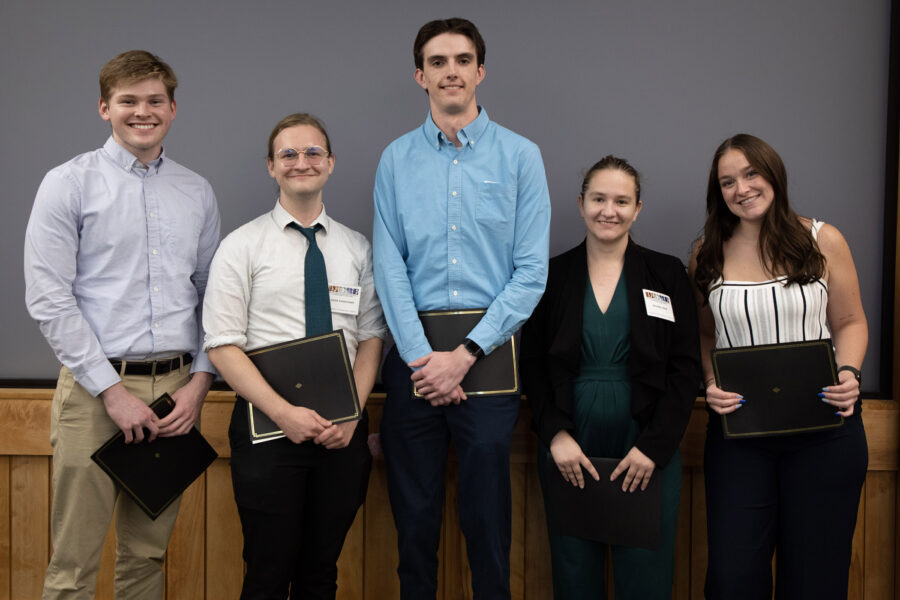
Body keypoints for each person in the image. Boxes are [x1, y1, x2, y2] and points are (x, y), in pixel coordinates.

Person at [23, 50, 220, 599]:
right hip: (94, 393)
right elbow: (48, 299)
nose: (143, 111)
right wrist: (111, 392)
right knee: (73, 565)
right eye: (128, 101)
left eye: (155, 100)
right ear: (104, 107)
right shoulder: (68, 184)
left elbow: (211, 297)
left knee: (147, 558)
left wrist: (200, 385)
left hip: (177, 396)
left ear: (173, 109)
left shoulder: (196, 191)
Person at [372, 17, 551, 599]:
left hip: (492, 359)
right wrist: (427, 362)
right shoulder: (395, 160)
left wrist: (467, 354)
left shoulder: (522, 157)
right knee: (414, 520)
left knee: (487, 521)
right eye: (438, 61)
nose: (452, 71)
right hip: (414, 361)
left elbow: (530, 274)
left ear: (481, 71)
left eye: (463, 59)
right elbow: (389, 266)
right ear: (419, 75)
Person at [203, 113, 387, 599]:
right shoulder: (241, 246)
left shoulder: (356, 248)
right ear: (270, 166)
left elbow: (371, 338)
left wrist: (352, 418)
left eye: (312, 153)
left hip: (341, 435)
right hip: (268, 431)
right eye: (288, 154)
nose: (300, 162)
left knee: (320, 573)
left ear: (330, 163)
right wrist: (284, 413)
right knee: (266, 573)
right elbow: (222, 344)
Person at [689, 134, 868, 599]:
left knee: (815, 578)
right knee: (732, 578)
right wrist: (709, 382)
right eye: (727, 181)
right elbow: (705, 336)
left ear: (773, 175)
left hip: (826, 430)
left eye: (751, 174)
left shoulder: (823, 239)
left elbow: (850, 321)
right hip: (739, 435)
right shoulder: (706, 250)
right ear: (718, 192)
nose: (741, 188)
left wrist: (849, 374)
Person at [521, 156, 701, 599]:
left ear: (638, 209)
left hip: (644, 444)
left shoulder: (667, 273)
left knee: (646, 576)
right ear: (581, 203)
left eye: (622, 201)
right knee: (573, 575)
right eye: (599, 198)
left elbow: (685, 369)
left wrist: (654, 448)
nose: (609, 210)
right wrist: (555, 437)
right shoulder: (550, 276)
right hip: (569, 446)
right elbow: (533, 368)